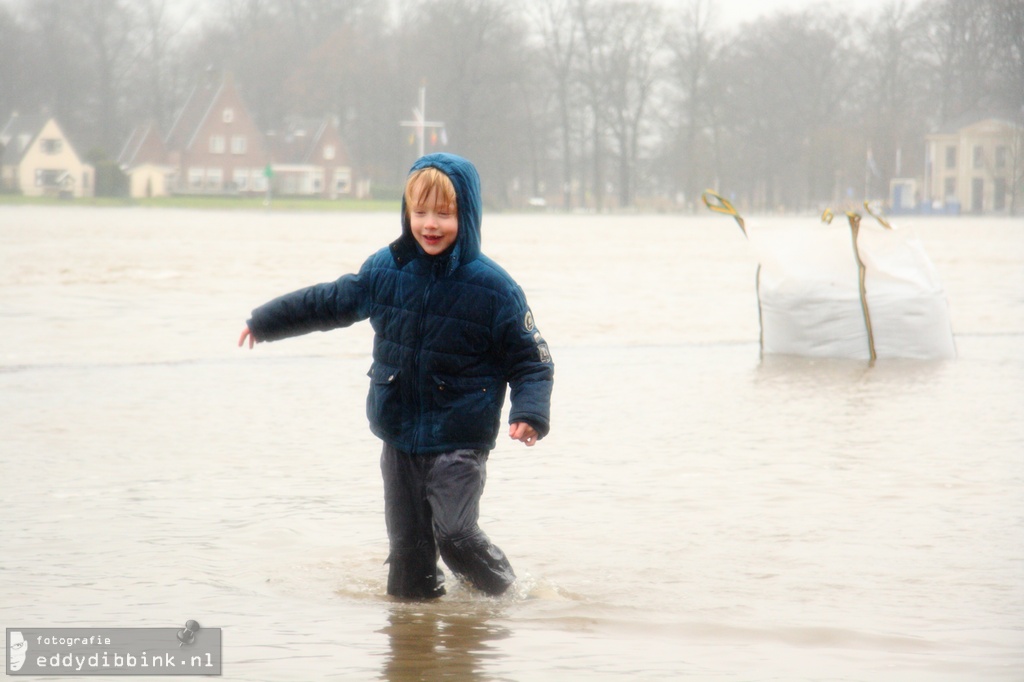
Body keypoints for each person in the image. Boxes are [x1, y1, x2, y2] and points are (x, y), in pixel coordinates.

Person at [238, 153, 554, 599]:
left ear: (468, 214)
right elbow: (328, 302)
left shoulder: (495, 288)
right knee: (408, 558)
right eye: (419, 212)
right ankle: (413, 642)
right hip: (399, 432)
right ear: (406, 213)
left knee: (456, 535)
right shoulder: (386, 269)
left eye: (444, 214)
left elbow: (532, 359)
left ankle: (511, 599)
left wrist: (530, 412)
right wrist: (265, 322)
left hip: (459, 438)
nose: (430, 224)